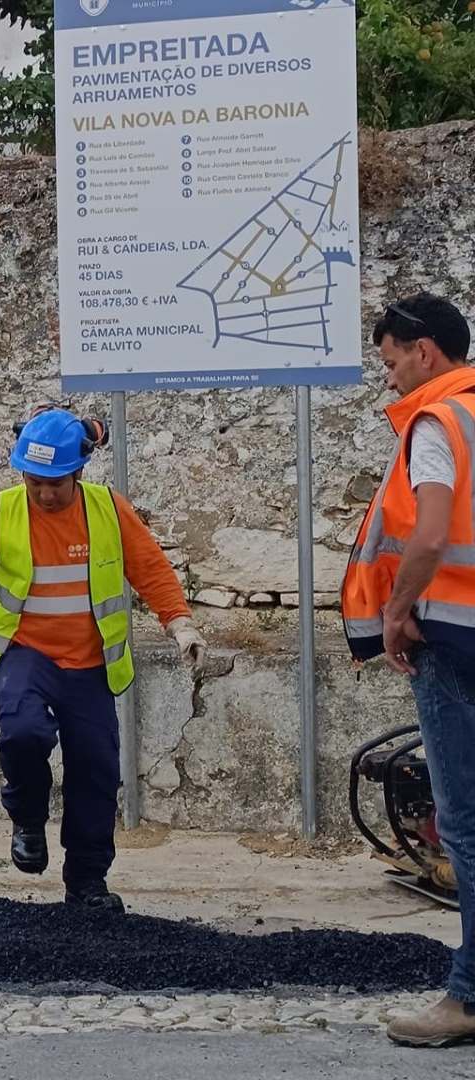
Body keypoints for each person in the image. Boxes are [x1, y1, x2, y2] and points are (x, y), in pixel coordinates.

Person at [0, 408, 207, 913]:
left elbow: (150, 568)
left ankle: (86, 885)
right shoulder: (3, 511)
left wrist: (181, 624)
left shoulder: (108, 510)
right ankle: (27, 818)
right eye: (35, 480)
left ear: (79, 473)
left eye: (56, 484)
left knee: (96, 770)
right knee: (22, 733)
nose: (44, 494)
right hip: (25, 655)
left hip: (89, 666)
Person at [344, 294, 475, 1049]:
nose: (389, 379)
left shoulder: (438, 419)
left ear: (425, 351)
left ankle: (470, 994)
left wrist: (397, 612)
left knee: (464, 823)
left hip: (452, 639)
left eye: (392, 361)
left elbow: (429, 532)